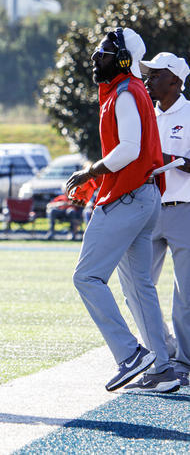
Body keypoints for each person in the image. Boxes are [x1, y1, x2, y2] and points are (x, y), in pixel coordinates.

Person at [66, 27, 179, 393]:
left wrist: (92, 170)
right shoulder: (132, 92)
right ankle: (162, 368)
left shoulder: (126, 92)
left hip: (128, 198)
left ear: (124, 59)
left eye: (105, 52)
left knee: (86, 277)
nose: (98, 57)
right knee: (139, 287)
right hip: (145, 198)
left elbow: (129, 149)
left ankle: (130, 354)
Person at [140, 51, 190, 387]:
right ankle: (162, 354)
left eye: (157, 75)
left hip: (184, 208)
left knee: (185, 294)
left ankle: (184, 364)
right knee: (138, 286)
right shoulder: (145, 113)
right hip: (147, 210)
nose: (149, 80)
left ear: (176, 81)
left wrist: (176, 161)